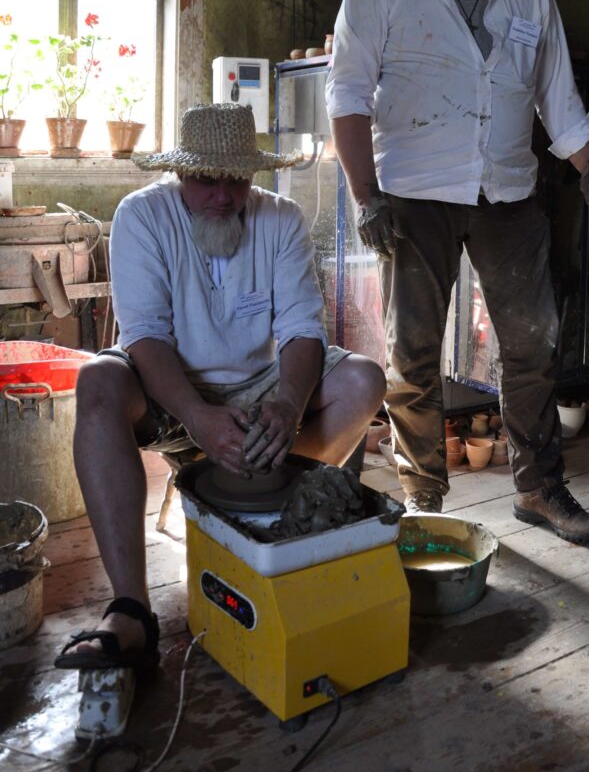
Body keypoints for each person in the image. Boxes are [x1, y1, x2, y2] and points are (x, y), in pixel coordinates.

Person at [326, 0, 589, 542]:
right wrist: (365, 195)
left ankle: (539, 489)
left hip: (508, 190)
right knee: (413, 354)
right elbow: (346, 93)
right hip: (412, 194)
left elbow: (555, 91)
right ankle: (424, 498)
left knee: (532, 343)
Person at [55, 102, 385, 671]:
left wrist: (287, 402)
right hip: (167, 385)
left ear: (252, 174)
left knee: (365, 379)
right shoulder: (143, 216)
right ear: (181, 173)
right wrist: (198, 416)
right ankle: (131, 611)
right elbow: (146, 337)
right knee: (98, 382)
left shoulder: (279, 219)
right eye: (206, 179)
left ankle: (267, 512)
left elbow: (303, 330)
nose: (222, 196)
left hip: (260, 386)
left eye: (235, 179)